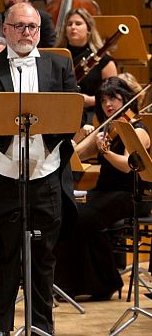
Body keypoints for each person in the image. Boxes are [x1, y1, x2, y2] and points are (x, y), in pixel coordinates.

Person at [0, 2, 79, 335]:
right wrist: (1, 116)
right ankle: (0, 328)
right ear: (6, 29)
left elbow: (73, 113)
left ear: (39, 30)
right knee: (2, 257)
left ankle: (42, 327)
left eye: (32, 27)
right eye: (20, 26)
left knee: (44, 258)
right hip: (1, 175)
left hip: (46, 174)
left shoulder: (59, 64)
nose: (27, 32)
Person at [55, 77, 152, 299]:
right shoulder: (109, 128)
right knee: (67, 211)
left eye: (113, 98)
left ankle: (105, 282)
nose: (108, 104)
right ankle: (73, 283)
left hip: (131, 195)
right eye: (103, 100)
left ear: (125, 98)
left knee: (84, 218)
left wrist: (105, 151)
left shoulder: (137, 129)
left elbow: (128, 165)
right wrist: (81, 136)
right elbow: (76, 155)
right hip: (105, 192)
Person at [54, 7, 118, 124]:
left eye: (78, 24)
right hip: (61, 111)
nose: (73, 27)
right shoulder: (56, 56)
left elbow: (113, 96)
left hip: (93, 114)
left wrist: (90, 100)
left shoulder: (104, 60)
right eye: (69, 24)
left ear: (89, 29)